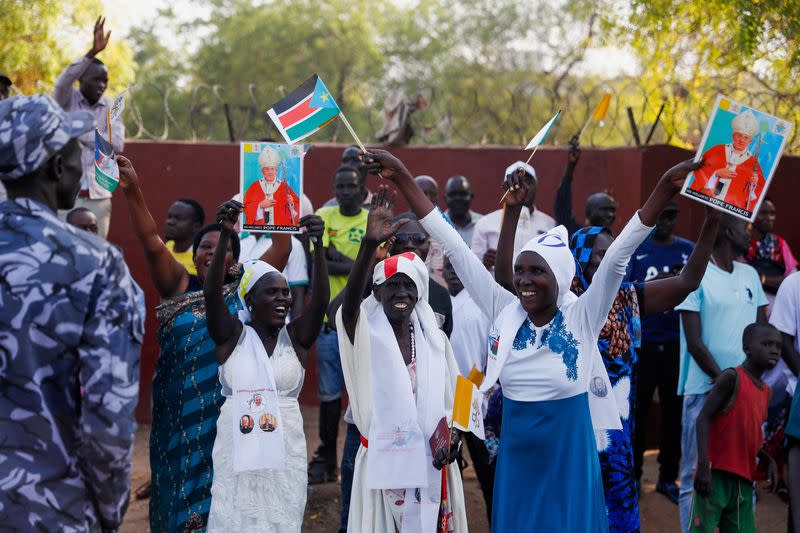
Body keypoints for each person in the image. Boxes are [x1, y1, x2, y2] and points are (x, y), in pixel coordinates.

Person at [366, 149, 694, 531]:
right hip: (518, 456)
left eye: (536, 271)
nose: (523, 279)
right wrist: (403, 175)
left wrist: (663, 191)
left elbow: (619, 255)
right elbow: (452, 242)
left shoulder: (584, 315)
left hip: (569, 455)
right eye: (519, 270)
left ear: (558, 275)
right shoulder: (503, 310)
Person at [116, 155, 310, 531]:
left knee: (224, 495)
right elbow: (150, 240)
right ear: (193, 255)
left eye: (220, 246)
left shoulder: (245, 291)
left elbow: (282, 252)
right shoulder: (178, 284)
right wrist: (134, 190)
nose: (210, 253)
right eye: (204, 247)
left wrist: (279, 191)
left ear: (237, 259)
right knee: (176, 486)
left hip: (229, 417)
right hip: (179, 414)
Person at [0, 94, 144, 532]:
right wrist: (107, 511)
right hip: (51, 511)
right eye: (71, 147)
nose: (81, 158)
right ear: (55, 167)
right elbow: (108, 417)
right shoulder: (96, 264)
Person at [565, 202, 720, 533]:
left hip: (617, 434)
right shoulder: (560, 309)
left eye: (614, 254)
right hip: (573, 432)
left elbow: (687, 282)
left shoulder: (627, 297)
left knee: (617, 511)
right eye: (600, 255)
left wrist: (711, 223)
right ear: (578, 259)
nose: (611, 262)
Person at [338, 185, 467, 532]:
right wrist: (368, 246)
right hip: (383, 465)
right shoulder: (363, 334)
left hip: (431, 463)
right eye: (392, 285)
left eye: (409, 286)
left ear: (420, 292)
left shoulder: (434, 338)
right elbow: (348, 308)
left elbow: (461, 391)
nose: (401, 293)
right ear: (376, 291)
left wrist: (456, 434)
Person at [204, 201, 328, 532]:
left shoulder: (297, 338)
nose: (283, 299)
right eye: (271, 292)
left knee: (281, 519)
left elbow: (319, 303)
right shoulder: (231, 336)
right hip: (236, 447)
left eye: (285, 293)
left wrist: (317, 246)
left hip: (284, 450)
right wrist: (226, 233)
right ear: (249, 300)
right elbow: (213, 296)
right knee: (234, 518)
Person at [676, 214, 769, 532]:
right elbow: (695, 343)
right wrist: (726, 382)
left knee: (745, 472)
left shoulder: (751, 275)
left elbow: (761, 333)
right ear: (728, 233)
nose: (750, 235)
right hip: (704, 390)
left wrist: (742, 386)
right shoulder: (695, 275)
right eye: (745, 229)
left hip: (746, 395)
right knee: (694, 474)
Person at [628, 200, 695, 503]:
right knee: (638, 412)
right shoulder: (638, 248)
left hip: (675, 342)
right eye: (663, 216)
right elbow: (627, 289)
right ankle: (635, 476)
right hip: (643, 344)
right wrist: (667, 275)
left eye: (672, 216)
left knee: (673, 413)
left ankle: (668, 477)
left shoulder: (687, 248)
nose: (667, 222)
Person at [309, 164, 369, 484]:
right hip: (327, 325)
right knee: (329, 396)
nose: (346, 192)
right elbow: (319, 261)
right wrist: (358, 264)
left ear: (362, 190)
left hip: (364, 324)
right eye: (340, 186)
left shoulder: (370, 219)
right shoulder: (323, 216)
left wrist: (349, 263)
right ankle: (328, 458)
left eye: (352, 186)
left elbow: (372, 269)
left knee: (362, 395)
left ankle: (360, 461)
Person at [690, 323, 780, 532]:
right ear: (747, 348)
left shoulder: (766, 392)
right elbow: (703, 418)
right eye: (767, 344)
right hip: (715, 476)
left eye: (778, 346)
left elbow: (747, 435)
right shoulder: (732, 378)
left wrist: (768, 460)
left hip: (743, 482)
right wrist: (704, 468)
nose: (774, 349)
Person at [52, 16, 122, 239]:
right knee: (62, 249)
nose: (102, 86)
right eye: (96, 80)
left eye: (105, 81)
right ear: (81, 80)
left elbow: (116, 144)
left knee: (96, 252)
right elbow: (64, 79)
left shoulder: (110, 107)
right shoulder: (66, 98)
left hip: (98, 196)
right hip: (65, 197)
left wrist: (74, 131)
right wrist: (92, 52)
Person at [443, 256, 495, 521]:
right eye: (447, 267)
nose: (452, 273)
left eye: (457, 267)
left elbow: (492, 353)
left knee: (487, 471)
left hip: (477, 400)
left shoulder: (480, 304)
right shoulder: (436, 302)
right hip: (446, 400)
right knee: (449, 474)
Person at [470, 160, 555, 272]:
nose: (522, 188)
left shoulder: (550, 225)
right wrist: (485, 263)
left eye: (528, 182)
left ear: (536, 186)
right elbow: (473, 269)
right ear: (506, 188)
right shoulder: (485, 223)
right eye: (517, 183)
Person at [688, 109, 765, 212]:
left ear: (750, 141)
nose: (741, 140)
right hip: (705, 205)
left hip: (730, 212)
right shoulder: (716, 150)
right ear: (733, 136)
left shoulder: (753, 163)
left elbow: (758, 191)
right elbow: (698, 167)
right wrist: (716, 174)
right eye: (739, 135)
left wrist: (754, 184)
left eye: (746, 138)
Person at [554, 137, 617, 237]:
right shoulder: (577, 237)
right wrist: (571, 166)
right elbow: (562, 206)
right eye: (604, 209)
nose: (609, 214)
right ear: (589, 214)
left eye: (612, 210)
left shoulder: (615, 243)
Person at [745, 197, 798, 305]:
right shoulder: (742, 242)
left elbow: (793, 280)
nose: (769, 218)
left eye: (772, 213)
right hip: (748, 302)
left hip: (774, 305)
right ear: (752, 214)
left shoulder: (779, 244)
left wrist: (762, 279)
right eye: (763, 213)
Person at [243, 145, 301, 228]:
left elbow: (297, 207)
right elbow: (246, 207)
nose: (270, 172)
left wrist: (291, 203)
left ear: (276, 171)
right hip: (259, 233)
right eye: (267, 169)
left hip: (281, 232)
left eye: (272, 169)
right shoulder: (254, 186)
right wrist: (260, 205)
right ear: (262, 171)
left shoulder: (284, 187)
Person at [165, 197, 205, 275]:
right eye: (169, 217)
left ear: (196, 225)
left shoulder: (202, 257)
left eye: (178, 218)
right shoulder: (167, 247)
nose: (170, 222)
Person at [444, 174, 482, 245]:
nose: (458, 199)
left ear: (471, 196)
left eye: (462, 194)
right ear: (445, 198)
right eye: (452, 194)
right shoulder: (438, 225)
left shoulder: (483, 224)